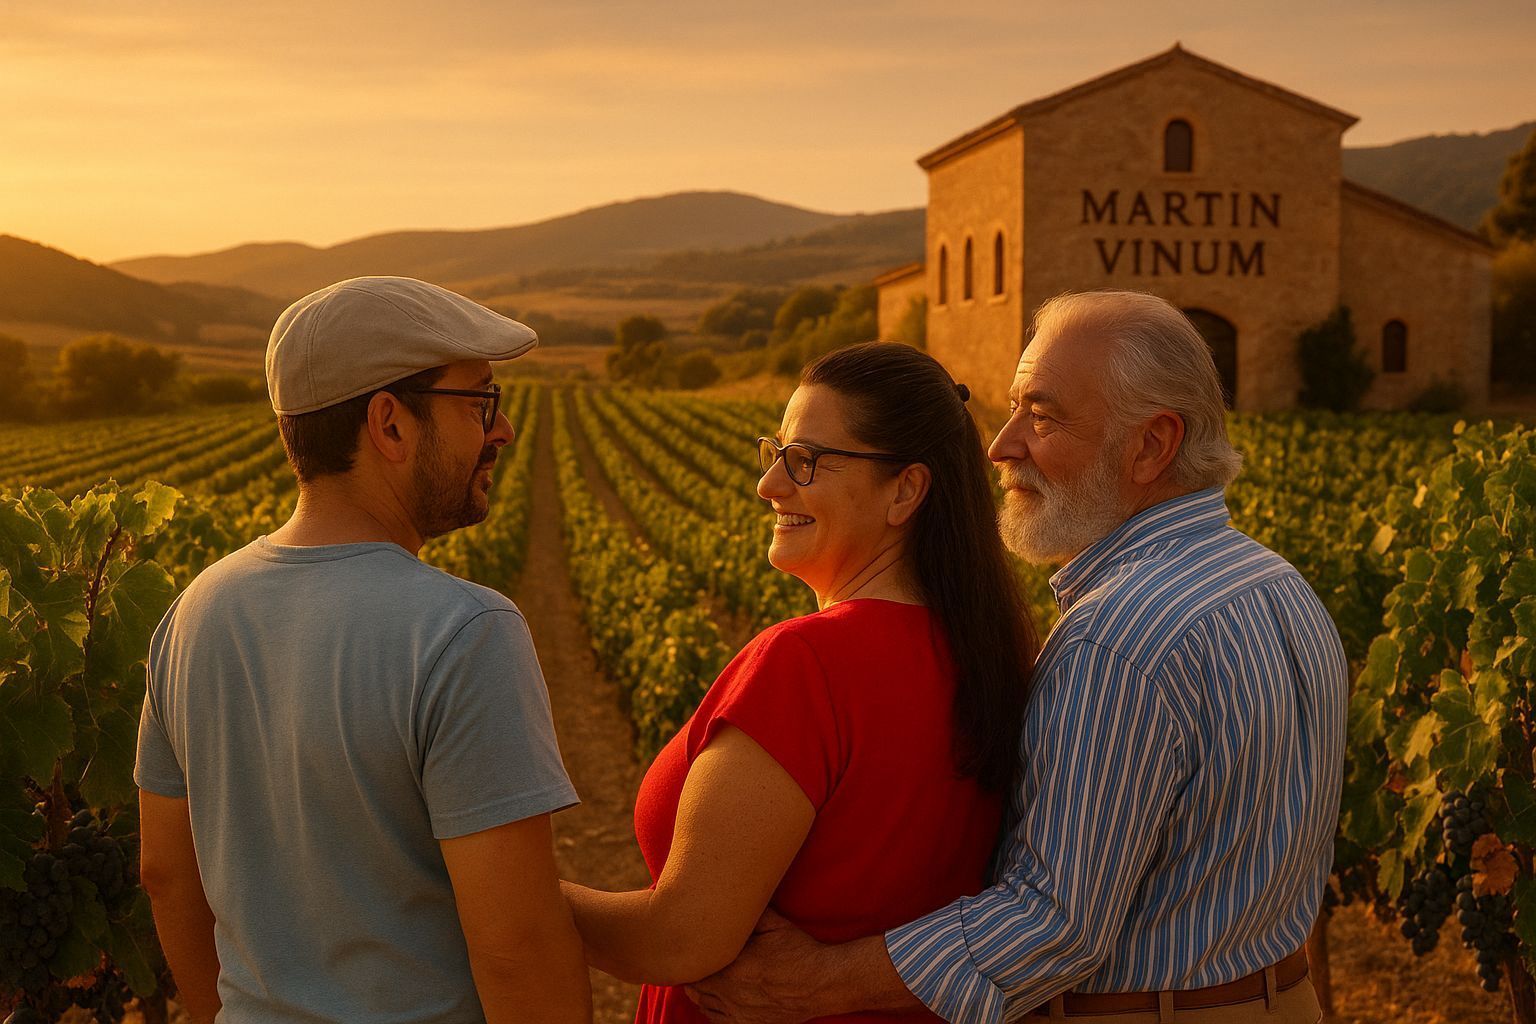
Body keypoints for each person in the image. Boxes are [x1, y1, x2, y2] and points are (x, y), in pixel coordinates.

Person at [686, 290, 1349, 1024]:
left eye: (1042, 416)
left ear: (1153, 445)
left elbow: (1052, 923)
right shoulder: (1278, 586)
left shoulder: (1117, 638)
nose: (1001, 446)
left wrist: (816, 982)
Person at [134, 276, 591, 1024]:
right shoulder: (463, 630)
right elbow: (518, 944)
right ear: (390, 425)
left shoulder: (194, 611)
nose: (502, 430)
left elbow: (164, 875)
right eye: (482, 401)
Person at [562, 342, 1040, 1023]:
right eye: (777, 451)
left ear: (905, 490)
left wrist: (499, 892)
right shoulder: (989, 660)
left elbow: (676, 941)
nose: (770, 485)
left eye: (807, 461)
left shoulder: (806, 666)